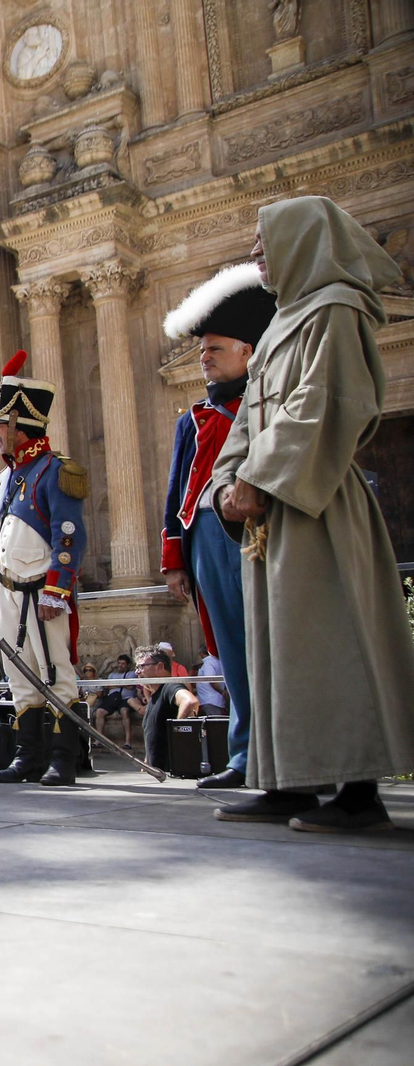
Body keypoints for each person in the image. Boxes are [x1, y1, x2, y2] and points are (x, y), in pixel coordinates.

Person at [212, 196, 414, 831]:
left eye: (263, 243)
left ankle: (359, 793)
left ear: (301, 241)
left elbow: (328, 403)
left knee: (334, 637)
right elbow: (247, 418)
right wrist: (227, 483)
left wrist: (259, 479)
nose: (254, 255)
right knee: (280, 646)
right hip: (272, 511)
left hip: (318, 500)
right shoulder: (280, 324)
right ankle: (290, 782)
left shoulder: (337, 310)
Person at [160, 261, 274, 788]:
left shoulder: (265, 405)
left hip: (254, 533)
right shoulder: (193, 419)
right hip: (204, 537)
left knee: (269, 645)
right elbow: (176, 492)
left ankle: (279, 756)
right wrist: (175, 561)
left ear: (247, 351)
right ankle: (244, 756)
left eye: (214, 349)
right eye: (202, 349)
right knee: (228, 650)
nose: (202, 358)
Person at [0, 349, 90, 787]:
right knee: (19, 675)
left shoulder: (57, 471)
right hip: (7, 591)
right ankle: (28, 756)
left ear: (23, 427)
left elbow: (68, 537)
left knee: (56, 671)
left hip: (43, 592)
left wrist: (56, 591)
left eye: (1, 427)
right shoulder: (8, 478)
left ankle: (63, 759)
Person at [135, 646, 202, 770]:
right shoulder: (154, 698)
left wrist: (177, 733)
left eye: (142, 667)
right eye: (137, 667)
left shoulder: (170, 687)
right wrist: (147, 763)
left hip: (172, 773)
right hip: (159, 776)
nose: (137, 672)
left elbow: (190, 702)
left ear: (160, 667)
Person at [195, 649, 228, 714]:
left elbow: (211, 679)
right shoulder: (217, 661)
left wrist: (222, 691)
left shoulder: (209, 662)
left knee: (214, 723)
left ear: (202, 653)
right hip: (212, 701)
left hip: (210, 701)